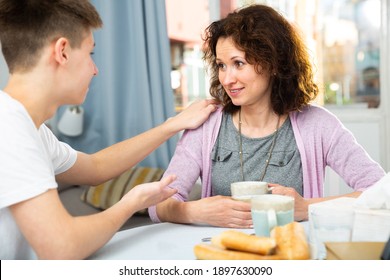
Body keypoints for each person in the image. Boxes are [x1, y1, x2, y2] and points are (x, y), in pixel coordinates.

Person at [0, 0, 217, 260]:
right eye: (90, 54)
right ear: (63, 52)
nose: (95, 69)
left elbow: (96, 168)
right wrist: (131, 203)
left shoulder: (28, 126)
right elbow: (62, 247)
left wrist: (172, 125)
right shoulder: (9, 125)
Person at [149, 4, 386, 228]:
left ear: (273, 63)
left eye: (238, 63)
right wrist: (194, 211)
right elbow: (157, 205)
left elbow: (381, 192)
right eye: (221, 65)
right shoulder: (206, 126)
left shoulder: (318, 125)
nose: (227, 79)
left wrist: (306, 208)